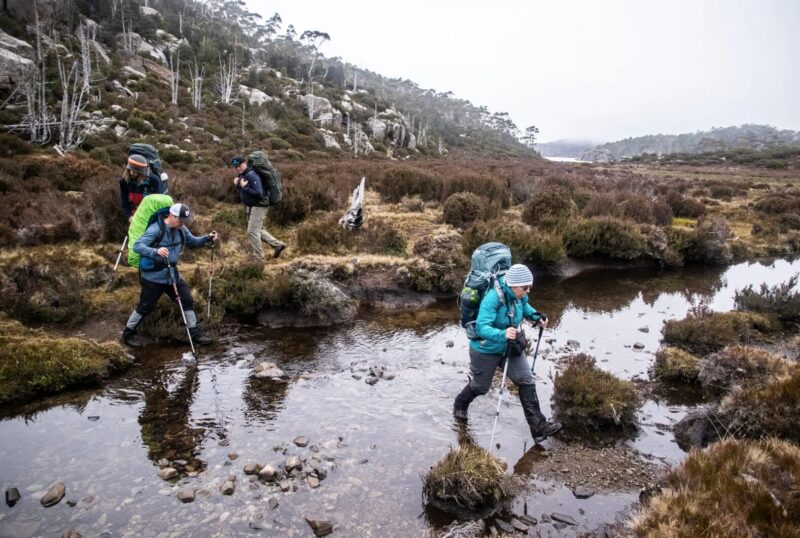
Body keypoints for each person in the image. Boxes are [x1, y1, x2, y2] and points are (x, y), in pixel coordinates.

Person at [453, 264, 562, 443]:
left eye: (530, 288)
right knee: (481, 387)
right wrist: (502, 334)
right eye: (524, 288)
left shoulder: (520, 297)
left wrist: (536, 316)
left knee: (526, 379)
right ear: (512, 285)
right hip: (485, 349)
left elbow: (525, 307)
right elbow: (481, 327)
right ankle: (460, 405)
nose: (527, 292)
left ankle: (539, 428)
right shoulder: (492, 298)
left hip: (510, 347)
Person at [122, 203, 218, 348]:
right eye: (180, 220)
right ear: (172, 216)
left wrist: (207, 238)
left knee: (186, 300)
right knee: (145, 306)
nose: (183, 224)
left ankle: (196, 335)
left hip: (172, 275)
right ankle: (128, 334)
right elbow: (137, 246)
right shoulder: (155, 229)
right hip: (153, 277)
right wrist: (156, 251)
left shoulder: (181, 228)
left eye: (184, 221)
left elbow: (192, 241)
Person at [231, 156, 286, 262]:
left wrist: (244, 187)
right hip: (252, 206)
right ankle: (278, 245)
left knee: (252, 231)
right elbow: (244, 189)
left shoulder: (252, 175)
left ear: (245, 163)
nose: (237, 168)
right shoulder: (243, 174)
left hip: (259, 206)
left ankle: (259, 259)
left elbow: (259, 194)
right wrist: (238, 184)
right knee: (258, 230)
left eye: (239, 166)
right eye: (235, 167)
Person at [119, 154, 166, 220]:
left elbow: (158, 201)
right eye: (131, 170)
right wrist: (129, 216)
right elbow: (124, 201)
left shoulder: (153, 180)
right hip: (135, 211)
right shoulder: (123, 180)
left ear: (141, 172)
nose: (133, 173)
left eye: (136, 172)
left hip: (151, 212)